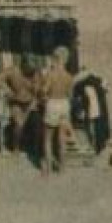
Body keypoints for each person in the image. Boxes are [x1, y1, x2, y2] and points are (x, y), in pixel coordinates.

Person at [0, 58, 40, 155]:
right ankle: (16, 148)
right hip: (16, 103)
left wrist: (36, 88)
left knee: (38, 122)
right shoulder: (12, 71)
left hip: (31, 102)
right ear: (22, 66)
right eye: (28, 70)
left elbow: (38, 92)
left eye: (32, 70)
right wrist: (5, 87)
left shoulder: (35, 74)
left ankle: (35, 149)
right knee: (19, 124)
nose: (30, 73)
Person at [39, 49, 76, 177]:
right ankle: (62, 169)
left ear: (56, 58)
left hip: (53, 103)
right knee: (62, 139)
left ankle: (48, 168)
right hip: (64, 104)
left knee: (48, 138)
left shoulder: (50, 74)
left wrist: (43, 94)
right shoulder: (69, 76)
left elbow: (44, 90)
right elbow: (70, 95)